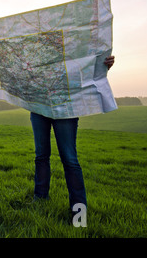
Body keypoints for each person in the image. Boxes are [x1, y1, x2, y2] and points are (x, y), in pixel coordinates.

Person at [31, 56, 115, 213]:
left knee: (69, 158)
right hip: (39, 106)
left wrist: (103, 66)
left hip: (66, 108)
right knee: (41, 156)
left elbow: (83, 66)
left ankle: (79, 210)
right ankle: (40, 198)